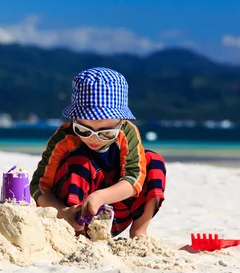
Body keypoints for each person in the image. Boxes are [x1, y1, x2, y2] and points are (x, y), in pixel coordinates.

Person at [29, 67, 166, 239]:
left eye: (106, 133)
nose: (94, 139)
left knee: (153, 161)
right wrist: (64, 212)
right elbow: (38, 186)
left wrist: (101, 197)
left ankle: (139, 231)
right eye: (84, 130)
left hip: (115, 213)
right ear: (74, 119)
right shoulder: (65, 138)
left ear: (121, 122)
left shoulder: (127, 133)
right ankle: (78, 235)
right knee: (79, 162)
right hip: (74, 216)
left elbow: (134, 178)